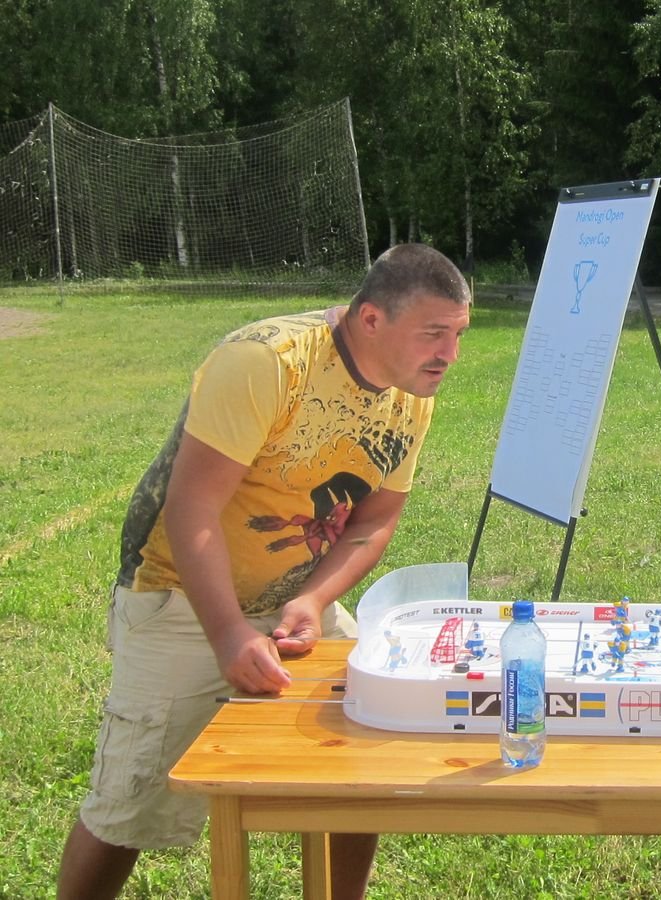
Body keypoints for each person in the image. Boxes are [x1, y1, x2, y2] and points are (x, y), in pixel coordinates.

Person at [56, 243, 472, 900]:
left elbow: (374, 521)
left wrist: (313, 601)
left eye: (458, 334)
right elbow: (191, 507)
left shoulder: (411, 390)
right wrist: (228, 635)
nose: (449, 353)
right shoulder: (266, 362)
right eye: (434, 333)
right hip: (180, 598)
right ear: (371, 319)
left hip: (291, 601)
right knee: (128, 808)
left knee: (357, 767)